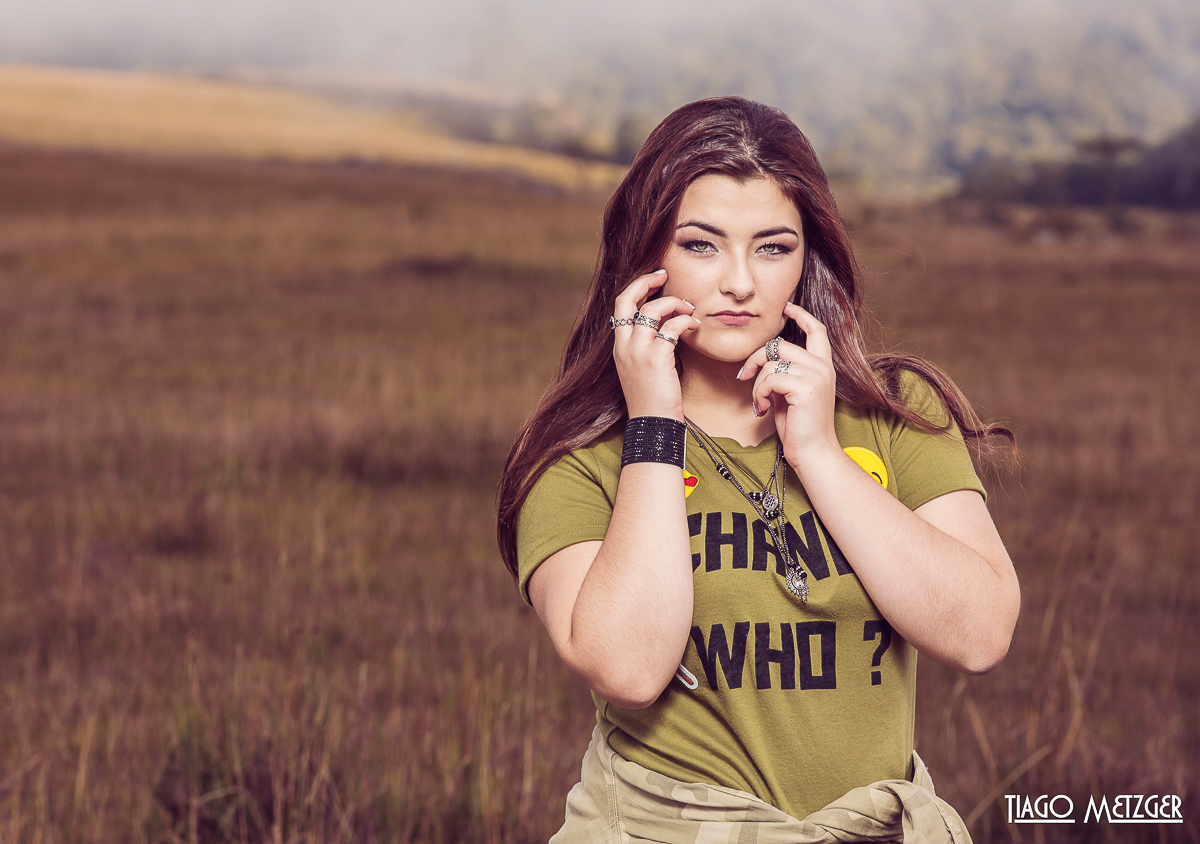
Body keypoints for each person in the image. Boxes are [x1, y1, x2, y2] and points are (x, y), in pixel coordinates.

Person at [496, 96, 1019, 843]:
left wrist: (818, 453)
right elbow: (629, 668)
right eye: (702, 246)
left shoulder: (896, 408)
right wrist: (653, 426)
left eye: (773, 247)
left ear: (809, 257)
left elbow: (981, 634)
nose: (740, 282)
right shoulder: (579, 453)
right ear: (646, 259)